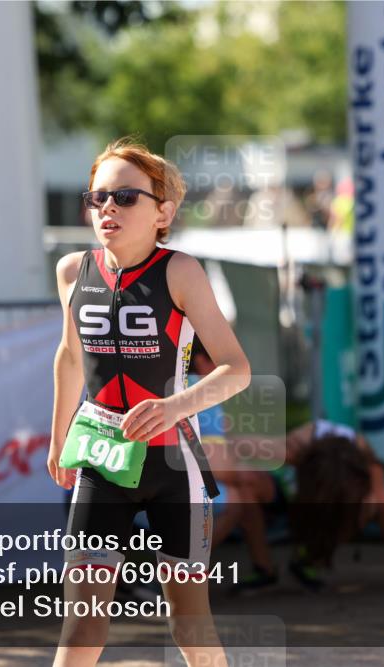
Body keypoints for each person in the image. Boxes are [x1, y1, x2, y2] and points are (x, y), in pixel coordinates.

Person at [49, 138, 252, 667]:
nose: (107, 208)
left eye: (124, 197)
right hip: (101, 460)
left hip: (170, 463)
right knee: (81, 626)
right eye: (97, 198)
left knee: (190, 626)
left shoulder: (180, 271)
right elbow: (70, 358)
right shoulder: (73, 271)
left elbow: (237, 369)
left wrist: (174, 406)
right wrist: (57, 441)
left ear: (163, 212)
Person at [189, 345, 384, 595]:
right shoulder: (301, 443)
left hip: (334, 499)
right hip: (291, 492)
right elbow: (237, 446)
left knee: (369, 506)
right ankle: (264, 568)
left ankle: (309, 559)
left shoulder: (369, 468)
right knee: (246, 484)